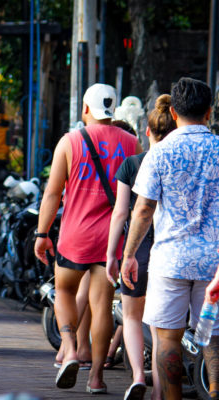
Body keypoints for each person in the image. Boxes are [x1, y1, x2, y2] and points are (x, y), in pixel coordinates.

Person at [34, 83, 141, 393]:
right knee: (103, 305)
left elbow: (53, 192)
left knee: (64, 291)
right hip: (112, 240)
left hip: (74, 236)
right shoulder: (133, 143)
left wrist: (42, 234)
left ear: (85, 109)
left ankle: (68, 348)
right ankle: (96, 377)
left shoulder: (70, 141)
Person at [124, 77, 219, 400]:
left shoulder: (160, 152)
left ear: (174, 112)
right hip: (215, 264)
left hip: (171, 261)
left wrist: (128, 254)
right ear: (209, 112)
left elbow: (143, 210)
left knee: (168, 338)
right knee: (215, 337)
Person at [106, 95, 176, 400]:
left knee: (131, 317)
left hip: (137, 250)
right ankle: (160, 390)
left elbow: (122, 213)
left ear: (146, 132)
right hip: (168, 250)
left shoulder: (132, 163)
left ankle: (137, 375)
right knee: (163, 327)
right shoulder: (179, 161)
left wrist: (113, 253)